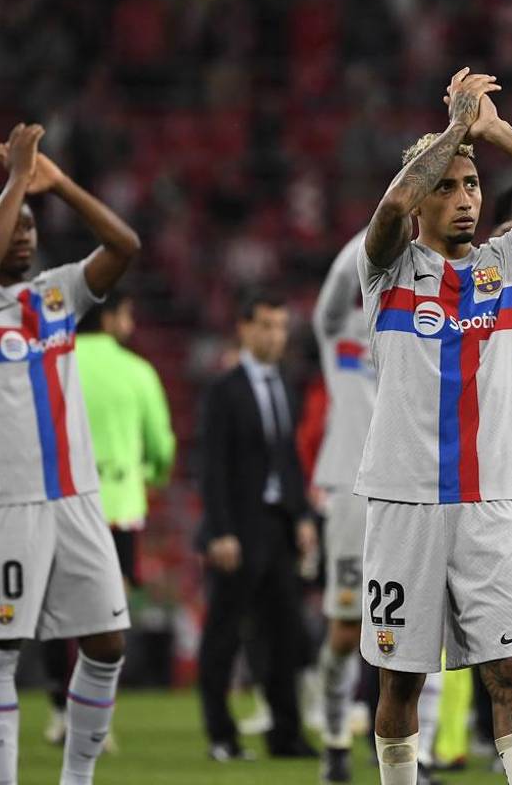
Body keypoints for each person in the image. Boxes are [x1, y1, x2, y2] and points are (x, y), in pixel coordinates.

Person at [355, 67, 512, 785]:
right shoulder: (388, 269)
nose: (465, 198)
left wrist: (494, 131)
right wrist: (457, 128)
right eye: (449, 186)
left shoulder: (509, 263)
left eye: (473, 185)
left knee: (510, 675)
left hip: (491, 503)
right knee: (400, 682)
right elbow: (390, 207)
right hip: (405, 504)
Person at [0, 123, 140, 785]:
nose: (25, 234)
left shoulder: (59, 293)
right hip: (8, 503)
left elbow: (124, 244)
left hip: (76, 497)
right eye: (12, 225)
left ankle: (75, 779)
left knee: (107, 644)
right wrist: (15, 181)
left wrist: (58, 185)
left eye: (30, 225)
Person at [314, 230, 446, 784]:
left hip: (410, 488)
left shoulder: (421, 324)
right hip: (347, 490)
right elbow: (339, 287)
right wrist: (380, 225)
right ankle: (334, 738)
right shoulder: (338, 331)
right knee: (346, 632)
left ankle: (427, 752)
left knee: (424, 627)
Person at [42, 289, 175, 745]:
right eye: (128, 314)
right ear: (113, 317)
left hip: (61, 504)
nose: (131, 324)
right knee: (107, 617)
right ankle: (95, 716)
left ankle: (60, 709)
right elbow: (161, 445)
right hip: (117, 509)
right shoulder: (137, 372)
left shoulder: (54, 363)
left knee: (58, 610)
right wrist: (149, 474)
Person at [195, 291, 318, 762]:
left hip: (278, 527)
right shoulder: (223, 390)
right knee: (224, 635)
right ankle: (221, 735)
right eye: (266, 325)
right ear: (244, 329)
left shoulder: (285, 387)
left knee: (284, 634)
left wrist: (303, 515)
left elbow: (289, 460)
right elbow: (211, 466)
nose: (275, 335)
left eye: (281, 326)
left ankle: (285, 735)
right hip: (237, 530)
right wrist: (219, 530)